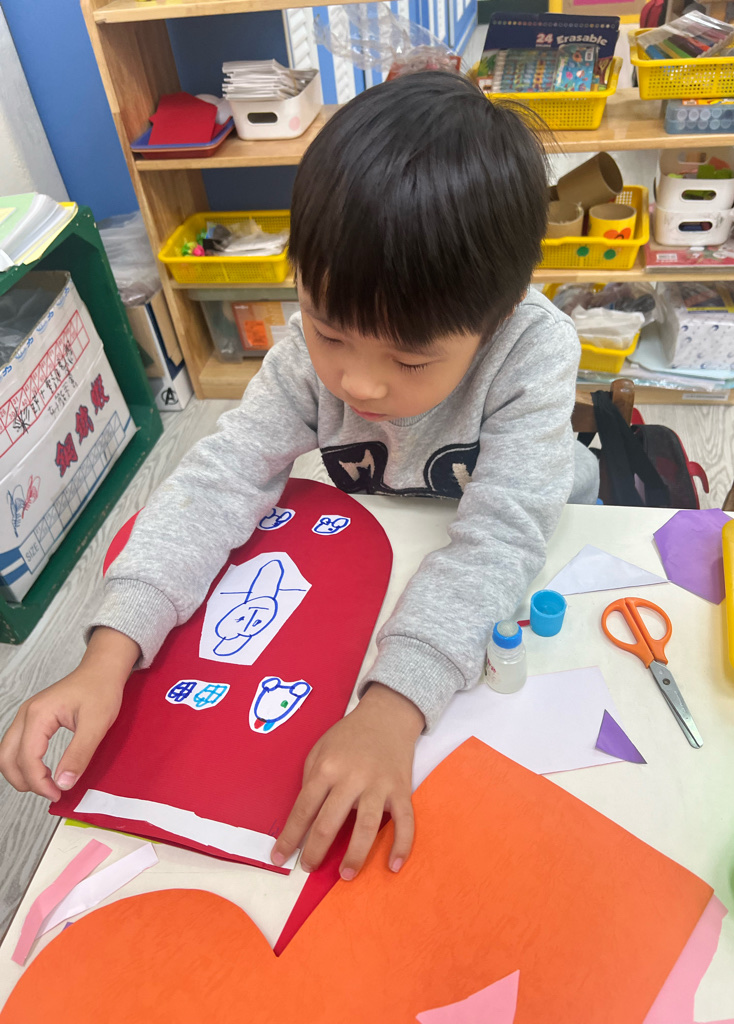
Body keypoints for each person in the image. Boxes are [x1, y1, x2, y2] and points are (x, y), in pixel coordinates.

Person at [0, 71, 598, 881]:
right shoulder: (303, 360)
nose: (359, 384)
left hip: (535, 551)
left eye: (410, 360)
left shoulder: (533, 351)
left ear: (498, 315)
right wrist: (111, 651)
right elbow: (221, 479)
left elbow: (499, 540)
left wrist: (394, 706)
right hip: (387, 545)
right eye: (330, 332)